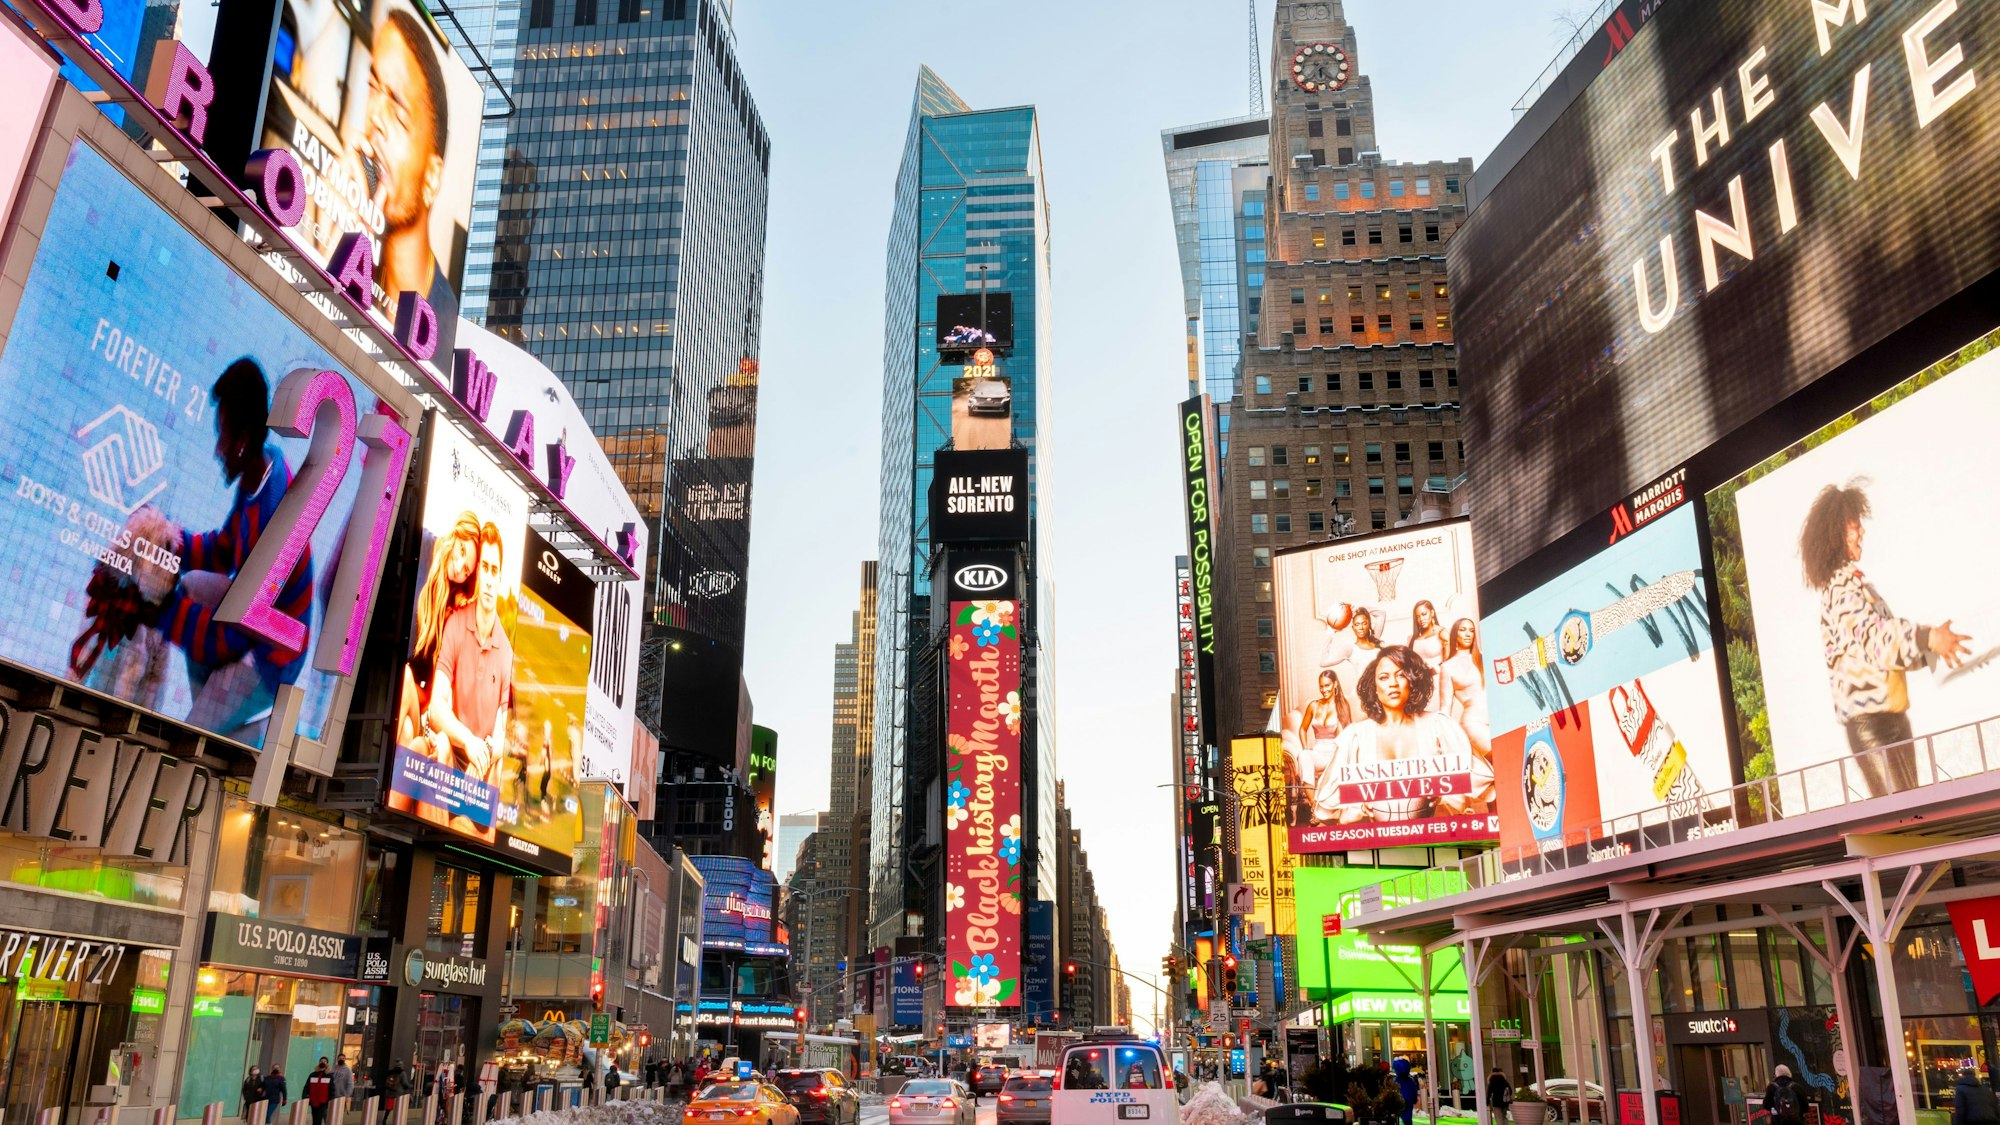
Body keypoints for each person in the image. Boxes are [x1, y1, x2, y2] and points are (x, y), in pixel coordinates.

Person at [157, 359, 312, 741]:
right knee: (191, 584)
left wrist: (158, 611)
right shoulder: (263, 467)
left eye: (222, 436)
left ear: (243, 442)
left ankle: (221, 733)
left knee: (187, 739)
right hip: (255, 621)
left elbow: (227, 639)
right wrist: (170, 541)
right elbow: (225, 550)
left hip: (270, 656)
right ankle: (217, 726)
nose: (217, 449)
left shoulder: (272, 514)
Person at [1800, 482, 1970, 798]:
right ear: (1836, 533)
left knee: (1913, 817)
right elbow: (1875, 640)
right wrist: (1928, 638)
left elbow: (1887, 648)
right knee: (1906, 822)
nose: (1861, 531)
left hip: (1889, 719)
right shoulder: (1842, 592)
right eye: (1854, 525)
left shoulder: (1856, 587)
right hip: (1873, 725)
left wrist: (1931, 648)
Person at [350, 8, 459, 353]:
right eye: (371, 87)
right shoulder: (352, 242)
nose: (374, 119)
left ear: (431, 178)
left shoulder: (442, 322)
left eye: (398, 113)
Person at [1314, 645, 1494, 825]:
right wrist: (1359, 806)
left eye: (1400, 675)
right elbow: (1325, 806)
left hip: (1439, 840)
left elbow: (1487, 785)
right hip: (1375, 845)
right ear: (1375, 687)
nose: (1393, 683)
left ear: (1413, 680)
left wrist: (1443, 797)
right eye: (1384, 677)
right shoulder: (1356, 736)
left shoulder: (1439, 727)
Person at [392, 510, 483, 824]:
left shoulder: (456, 610)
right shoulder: (424, 547)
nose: (458, 567)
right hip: (403, 707)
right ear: (454, 536)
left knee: (405, 690)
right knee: (405, 731)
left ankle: (389, 802)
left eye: (467, 569)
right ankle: (391, 806)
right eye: (460, 553)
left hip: (427, 716)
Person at [428, 523, 515, 782]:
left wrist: (485, 750)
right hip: (452, 752)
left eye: (494, 570)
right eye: (484, 569)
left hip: (480, 772)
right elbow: (436, 706)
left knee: (498, 769)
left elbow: (504, 734)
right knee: (440, 745)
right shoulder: (455, 623)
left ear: (500, 577)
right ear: (478, 574)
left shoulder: (507, 653)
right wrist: (469, 742)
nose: (489, 579)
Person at [1441, 618, 1491, 757]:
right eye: (1463, 630)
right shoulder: (1447, 667)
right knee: (1500, 759)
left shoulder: (1484, 658)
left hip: (1497, 718)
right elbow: (1445, 707)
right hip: (1474, 723)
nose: (1468, 634)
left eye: (1471, 630)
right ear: (1455, 635)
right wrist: (1443, 738)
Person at [306, 1060, 334, 1125]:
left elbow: (332, 1089)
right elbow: (307, 1086)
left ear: (327, 1064)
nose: (323, 1062)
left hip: (323, 1103)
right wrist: (306, 1096)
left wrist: (331, 1101)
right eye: (321, 1061)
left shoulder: (329, 1076)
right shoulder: (312, 1075)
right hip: (313, 1102)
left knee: (321, 1119)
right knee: (315, 1119)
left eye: (325, 1061)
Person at [381, 1061, 407, 1125]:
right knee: (398, 1108)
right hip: (398, 1093)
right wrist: (409, 1086)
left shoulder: (391, 1072)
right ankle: (397, 1120)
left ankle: (385, 1119)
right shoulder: (402, 1073)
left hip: (390, 1092)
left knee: (388, 1108)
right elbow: (405, 1083)